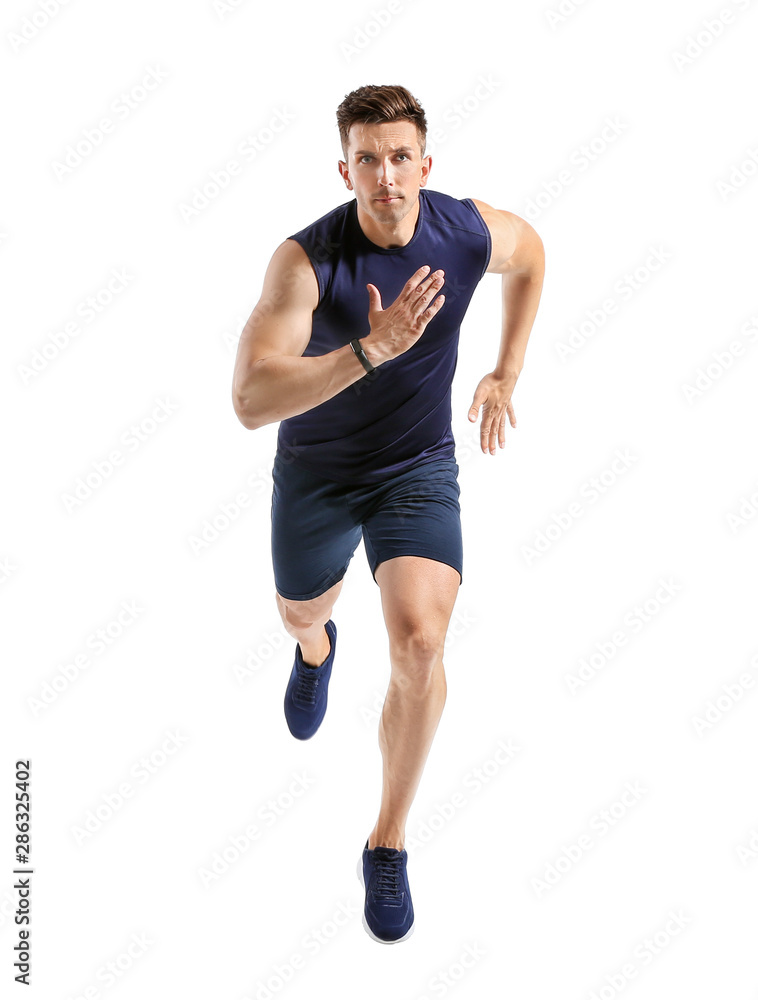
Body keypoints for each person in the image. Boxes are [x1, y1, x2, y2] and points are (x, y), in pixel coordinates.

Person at [231, 84, 544, 944]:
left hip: (415, 470)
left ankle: (388, 840)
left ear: (425, 164)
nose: (386, 176)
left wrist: (505, 371)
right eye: (367, 159)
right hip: (319, 476)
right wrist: (368, 352)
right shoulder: (307, 263)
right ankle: (314, 651)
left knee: (420, 643)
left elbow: (533, 252)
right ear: (346, 170)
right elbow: (251, 399)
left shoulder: (463, 230)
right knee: (303, 608)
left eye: (400, 156)